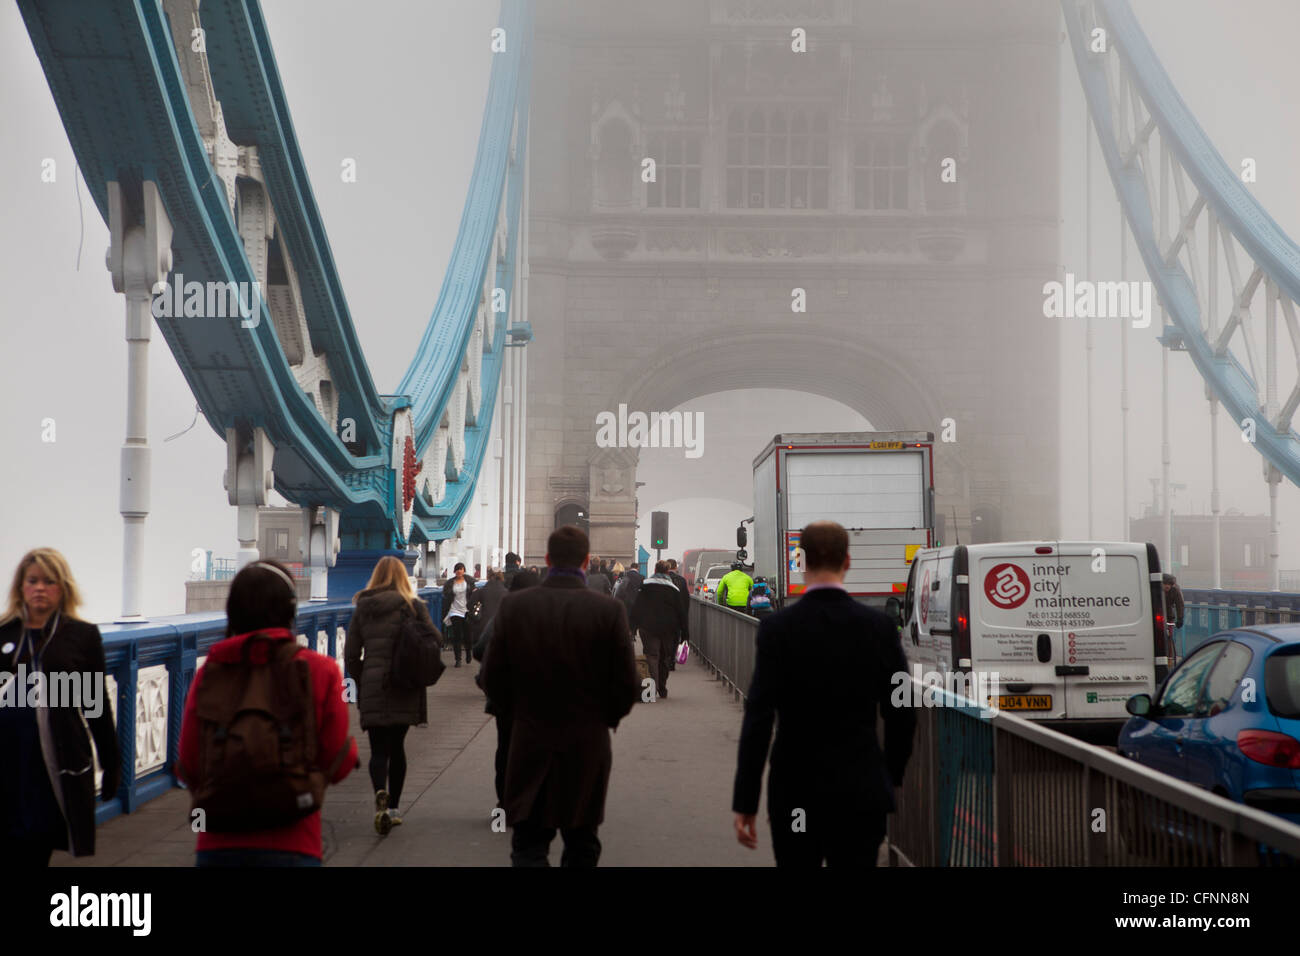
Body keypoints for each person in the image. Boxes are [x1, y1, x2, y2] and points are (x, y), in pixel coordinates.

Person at [732, 521, 916, 867]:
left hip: (797, 793)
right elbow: (901, 708)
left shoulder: (778, 629)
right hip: (861, 792)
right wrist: (890, 776)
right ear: (848, 561)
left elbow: (758, 717)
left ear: (800, 560)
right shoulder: (877, 628)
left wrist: (746, 800)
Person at [178, 559, 357, 866]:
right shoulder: (322, 670)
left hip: (217, 842)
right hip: (294, 841)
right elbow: (336, 763)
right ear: (291, 611)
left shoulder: (210, 673)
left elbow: (189, 763)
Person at [481, 526, 641, 866]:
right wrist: (604, 719)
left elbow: (492, 677)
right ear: (586, 561)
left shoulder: (515, 607)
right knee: (582, 842)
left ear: (548, 559)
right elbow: (628, 683)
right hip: (587, 741)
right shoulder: (608, 611)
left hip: (529, 738)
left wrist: (518, 714)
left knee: (529, 844)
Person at [0, 548, 120, 866]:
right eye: (33, 580)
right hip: (9, 761)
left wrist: (112, 763)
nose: (40, 587)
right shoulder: (4, 634)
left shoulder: (81, 636)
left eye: (49, 581)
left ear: (63, 587)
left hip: (52, 762)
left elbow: (95, 706)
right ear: (21, 586)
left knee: (34, 842)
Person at [344, 555, 439, 836]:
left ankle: (380, 799)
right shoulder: (414, 606)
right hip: (404, 683)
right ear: (402, 577)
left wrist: (364, 678)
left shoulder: (362, 606)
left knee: (378, 750)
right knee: (397, 749)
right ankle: (394, 809)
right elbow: (437, 639)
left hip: (374, 683)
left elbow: (350, 654)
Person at [473, 569, 540, 807]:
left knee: (505, 748)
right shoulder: (548, 614)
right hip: (538, 696)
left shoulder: (504, 613)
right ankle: (532, 800)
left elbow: (479, 650)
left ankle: (505, 802)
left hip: (505, 694)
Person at [631, 561, 687, 699]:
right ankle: (661, 686)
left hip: (647, 627)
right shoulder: (674, 589)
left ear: (655, 569)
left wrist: (632, 627)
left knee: (652, 655)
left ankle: (652, 688)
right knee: (664, 657)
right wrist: (685, 632)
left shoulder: (645, 586)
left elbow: (637, 606)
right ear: (668, 572)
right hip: (668, 629)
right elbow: (681, 611)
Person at [441, 563, 477, 667]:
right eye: (457, 569)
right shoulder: (450, 583)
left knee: (467, 635)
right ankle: (458, 659)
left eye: (461, 569)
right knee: (456, 635)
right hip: (455, 610)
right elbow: (446, 595)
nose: (459, 571)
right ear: (454, 571)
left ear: (464, 570)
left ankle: (468, 653)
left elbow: (474, 594)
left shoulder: (469, 582)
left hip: (467, 610)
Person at [665, 558, 691, 668]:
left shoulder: (663, 579)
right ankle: (672, 660)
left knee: (665, 637)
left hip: (665, 613)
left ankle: (665, 658)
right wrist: (684, 614)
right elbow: (686, 599)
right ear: (676, 567)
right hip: (678, 614)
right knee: (675, 637)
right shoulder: (681, 580)